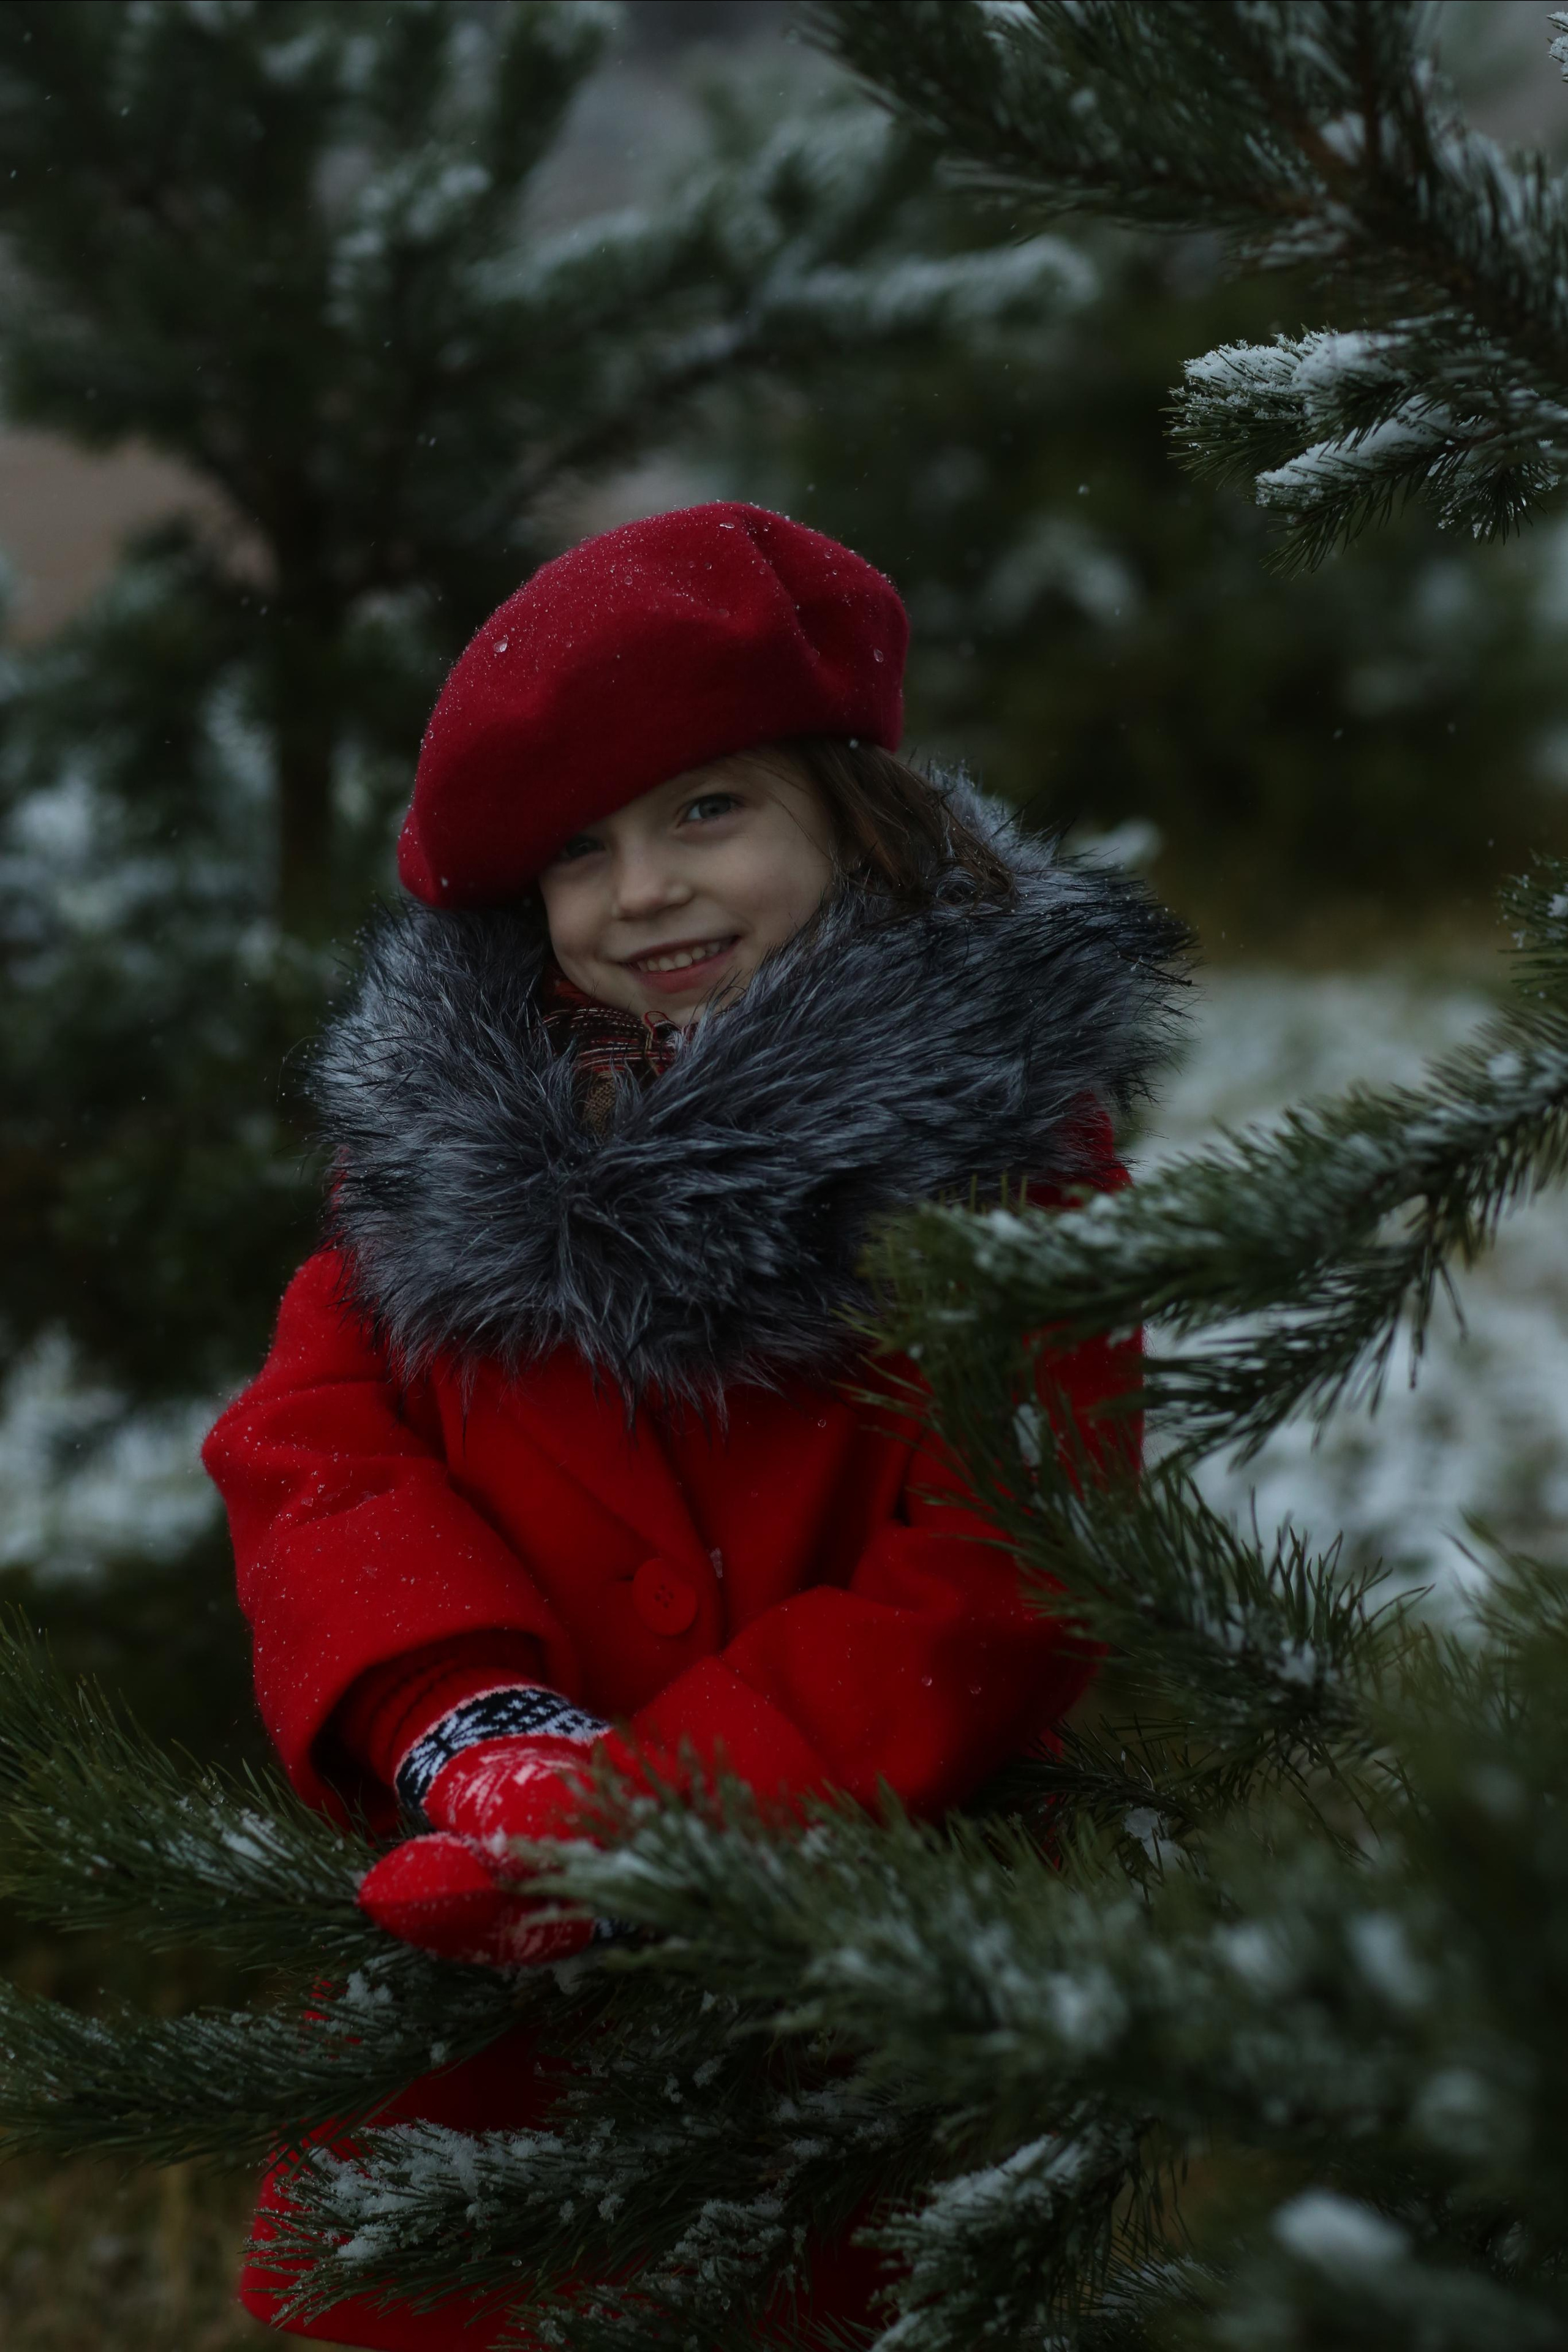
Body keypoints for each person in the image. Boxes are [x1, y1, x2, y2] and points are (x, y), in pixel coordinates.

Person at [202, 500, 1185, 2348]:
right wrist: (466, 1724)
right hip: (491, 1994)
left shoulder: (1012, 1174)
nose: (643, 889)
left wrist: (664, 1814)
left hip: (860, 1964)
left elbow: (1002, 1564)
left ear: (848, 808)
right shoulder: (441, 1164)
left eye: (706, 812)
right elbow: (312, 1447)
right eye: (580, 851)